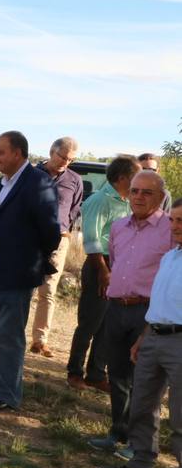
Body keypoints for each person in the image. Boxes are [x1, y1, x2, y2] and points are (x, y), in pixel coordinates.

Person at [0, 131, 61, 411]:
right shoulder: (1, 183)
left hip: (14, 274)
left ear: (18, 153)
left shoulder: (37, 183)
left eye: (0, 152)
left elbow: (50, 233)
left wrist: (24, 256)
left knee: (8, 335)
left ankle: (7, 394)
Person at [96, 197, 182, 468]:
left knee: (181, 414)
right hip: (154, 337)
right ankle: (142, 464)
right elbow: (160, 302)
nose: (174, 227)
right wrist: (144, 336)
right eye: (172, 220)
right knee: (143, 404)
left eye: (180, 222)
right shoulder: (171, 257)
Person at [84, 171, 170, 455]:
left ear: (160, 197)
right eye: (134, 191)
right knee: (118, 375)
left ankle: (139, 443)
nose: (139, 197)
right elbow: (118, 262)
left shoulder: (170, 229)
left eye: (147, 192)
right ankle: (117, 433)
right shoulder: (119, 227)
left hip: (147, 313)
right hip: (116, 308)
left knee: (144, 382)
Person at [67, 156, 140, 391]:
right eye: (135, 177)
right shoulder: (100, 200)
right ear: (122, 178)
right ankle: (74, 371)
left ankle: (96, 374)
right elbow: (91, 239)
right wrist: (104, 271)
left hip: (120, 267)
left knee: (109, 324)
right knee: (90, 322)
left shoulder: (127, 201)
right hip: (101, 265)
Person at [29, 137, 84, 357]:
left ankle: (40, 340)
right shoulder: (31, 174)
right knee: (24, 288)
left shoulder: (74, 179)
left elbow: (74, 209)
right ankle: (13, 333)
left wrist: (64, 233)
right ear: (52, 151)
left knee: (48, 290)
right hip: (30, 238)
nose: (65, 162)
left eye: (70, 160)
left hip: (58, 240)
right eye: (62, 157)